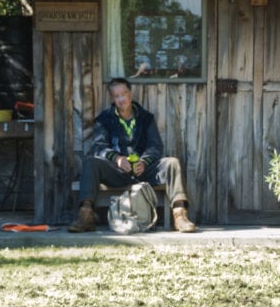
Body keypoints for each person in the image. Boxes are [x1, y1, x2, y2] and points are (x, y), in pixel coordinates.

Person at [68, 77, 196, 233]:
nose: (121, 99)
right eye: (117, 96)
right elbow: (98, 146)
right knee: (91, 162)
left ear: (130, 94)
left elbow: (155, 146)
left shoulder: (145, 117)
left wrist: (144, 162)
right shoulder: (104, 119)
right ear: (112, 98)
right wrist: (117, 158)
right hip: (117, 172)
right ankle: (85, 216)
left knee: (172, 163)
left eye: (123, 94)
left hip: (143, 170)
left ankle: (180, 214)